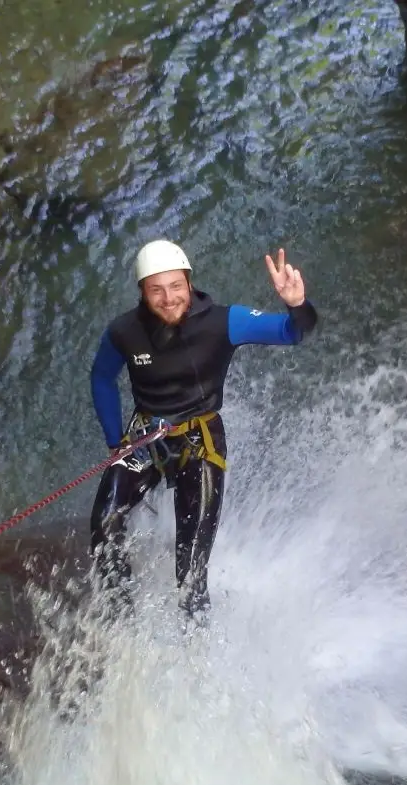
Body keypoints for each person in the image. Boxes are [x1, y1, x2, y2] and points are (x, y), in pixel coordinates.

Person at [87, 239, 318, 617]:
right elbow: (101, 377)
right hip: (145, 437)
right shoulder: (124, 332)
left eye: (176, 286)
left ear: (190, 283)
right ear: (142, 292)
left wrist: (296, 305)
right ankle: (120, 615)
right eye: (156, 289)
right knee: (104, 525)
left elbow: (292, 333)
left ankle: (194, 639)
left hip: (199, 440)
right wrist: (117, 442)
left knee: (191, 566)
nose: (168, 298)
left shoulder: (224, 321)